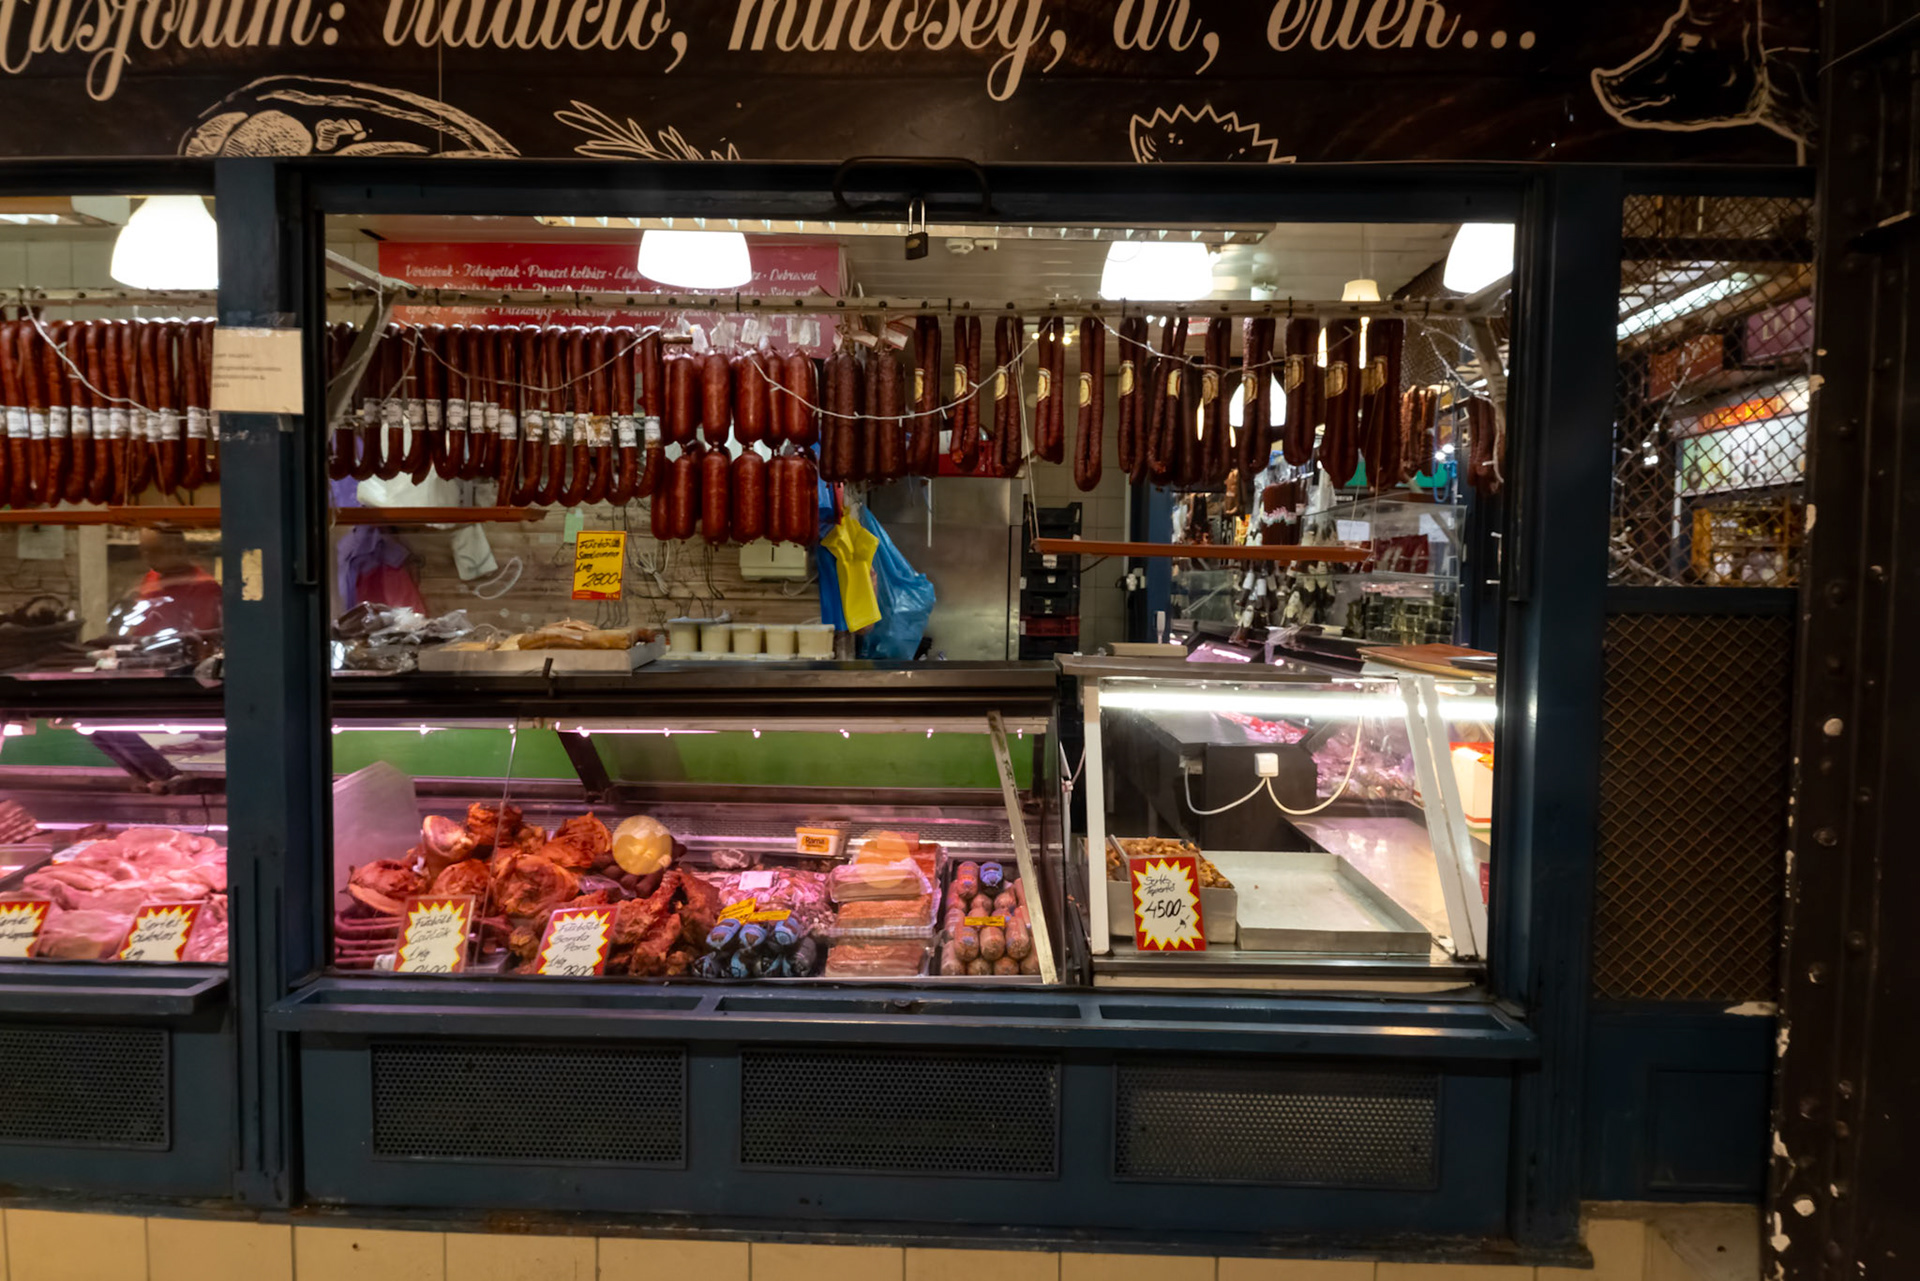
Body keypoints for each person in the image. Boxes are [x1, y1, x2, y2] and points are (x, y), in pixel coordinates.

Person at [119, 527, 222, 640]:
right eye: (143, 549)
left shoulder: (204, 587)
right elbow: (136, 621)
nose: (145, 556)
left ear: (176, 550)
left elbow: (198, 640)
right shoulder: (151, 576)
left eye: (153, 550)